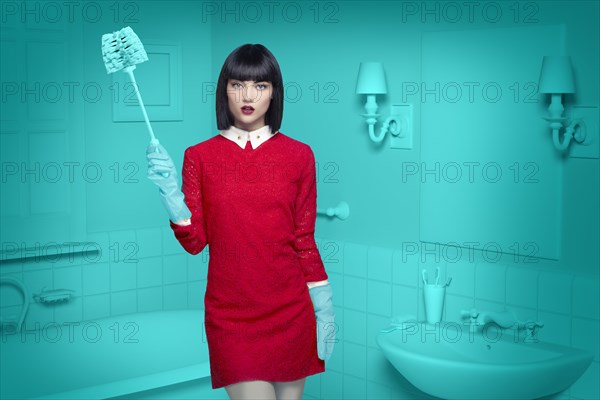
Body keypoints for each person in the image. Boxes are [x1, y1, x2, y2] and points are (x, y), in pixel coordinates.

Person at [146, 43, 336, 400]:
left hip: (291, 314)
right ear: (225, 91)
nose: (248, 95)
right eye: (237, 84)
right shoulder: (199, 157)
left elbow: (304, 239)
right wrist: (171, 196)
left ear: (274, 94)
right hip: (231, 320)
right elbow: (195, 241)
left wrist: (324, 306)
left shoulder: (299, 156)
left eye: (260, 86)